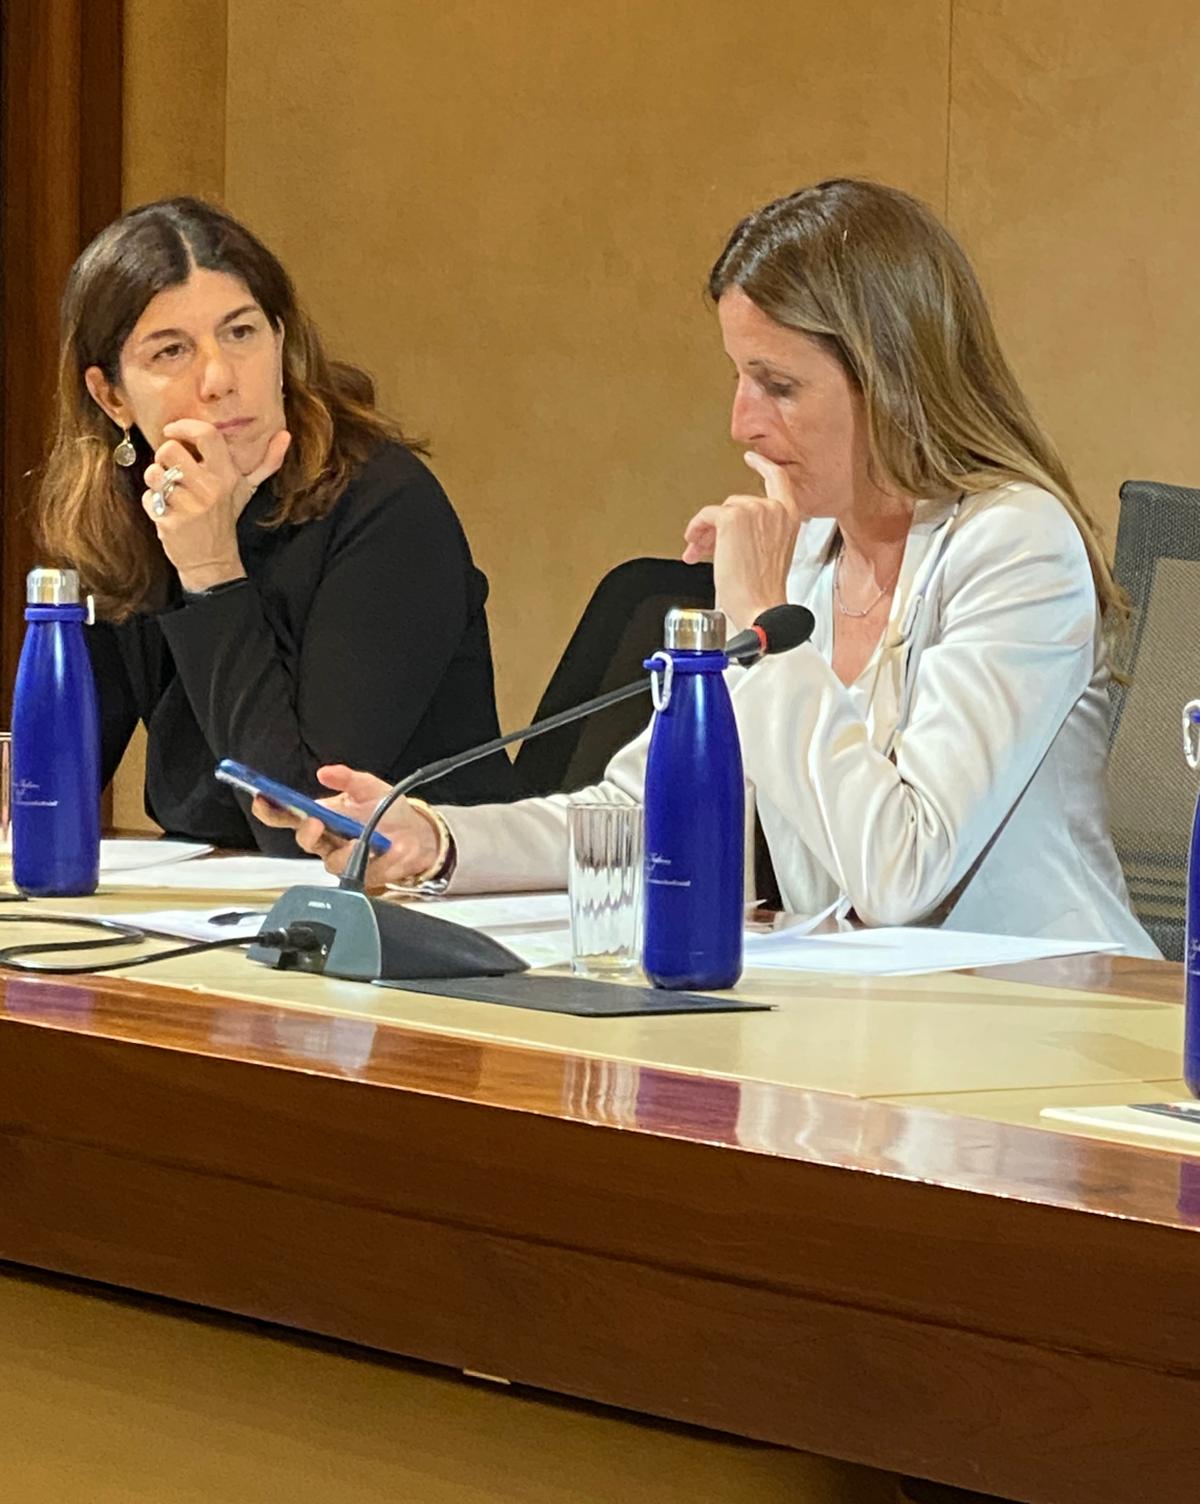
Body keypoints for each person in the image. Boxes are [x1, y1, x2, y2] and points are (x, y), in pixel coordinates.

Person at [257, 179, 1156, 954]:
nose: (741, 423)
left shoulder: (1016, 543)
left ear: (892, 378)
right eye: (738, 377)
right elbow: (644, 813)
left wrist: (762, 619)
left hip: (1052, 1021)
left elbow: (901, 871)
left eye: (779, 385)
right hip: (872, 1024)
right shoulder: (811, 554)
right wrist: (438, 839)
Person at [37, 197, 514, 852]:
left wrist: (210, 572)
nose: (219, 378)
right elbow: (45, 791)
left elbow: (309, 828)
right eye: (171, 350)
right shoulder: (124, 511)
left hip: (417, 898)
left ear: (280, 342)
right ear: (111, 395)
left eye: (241, 333)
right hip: (216, 896)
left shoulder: (385, 504)